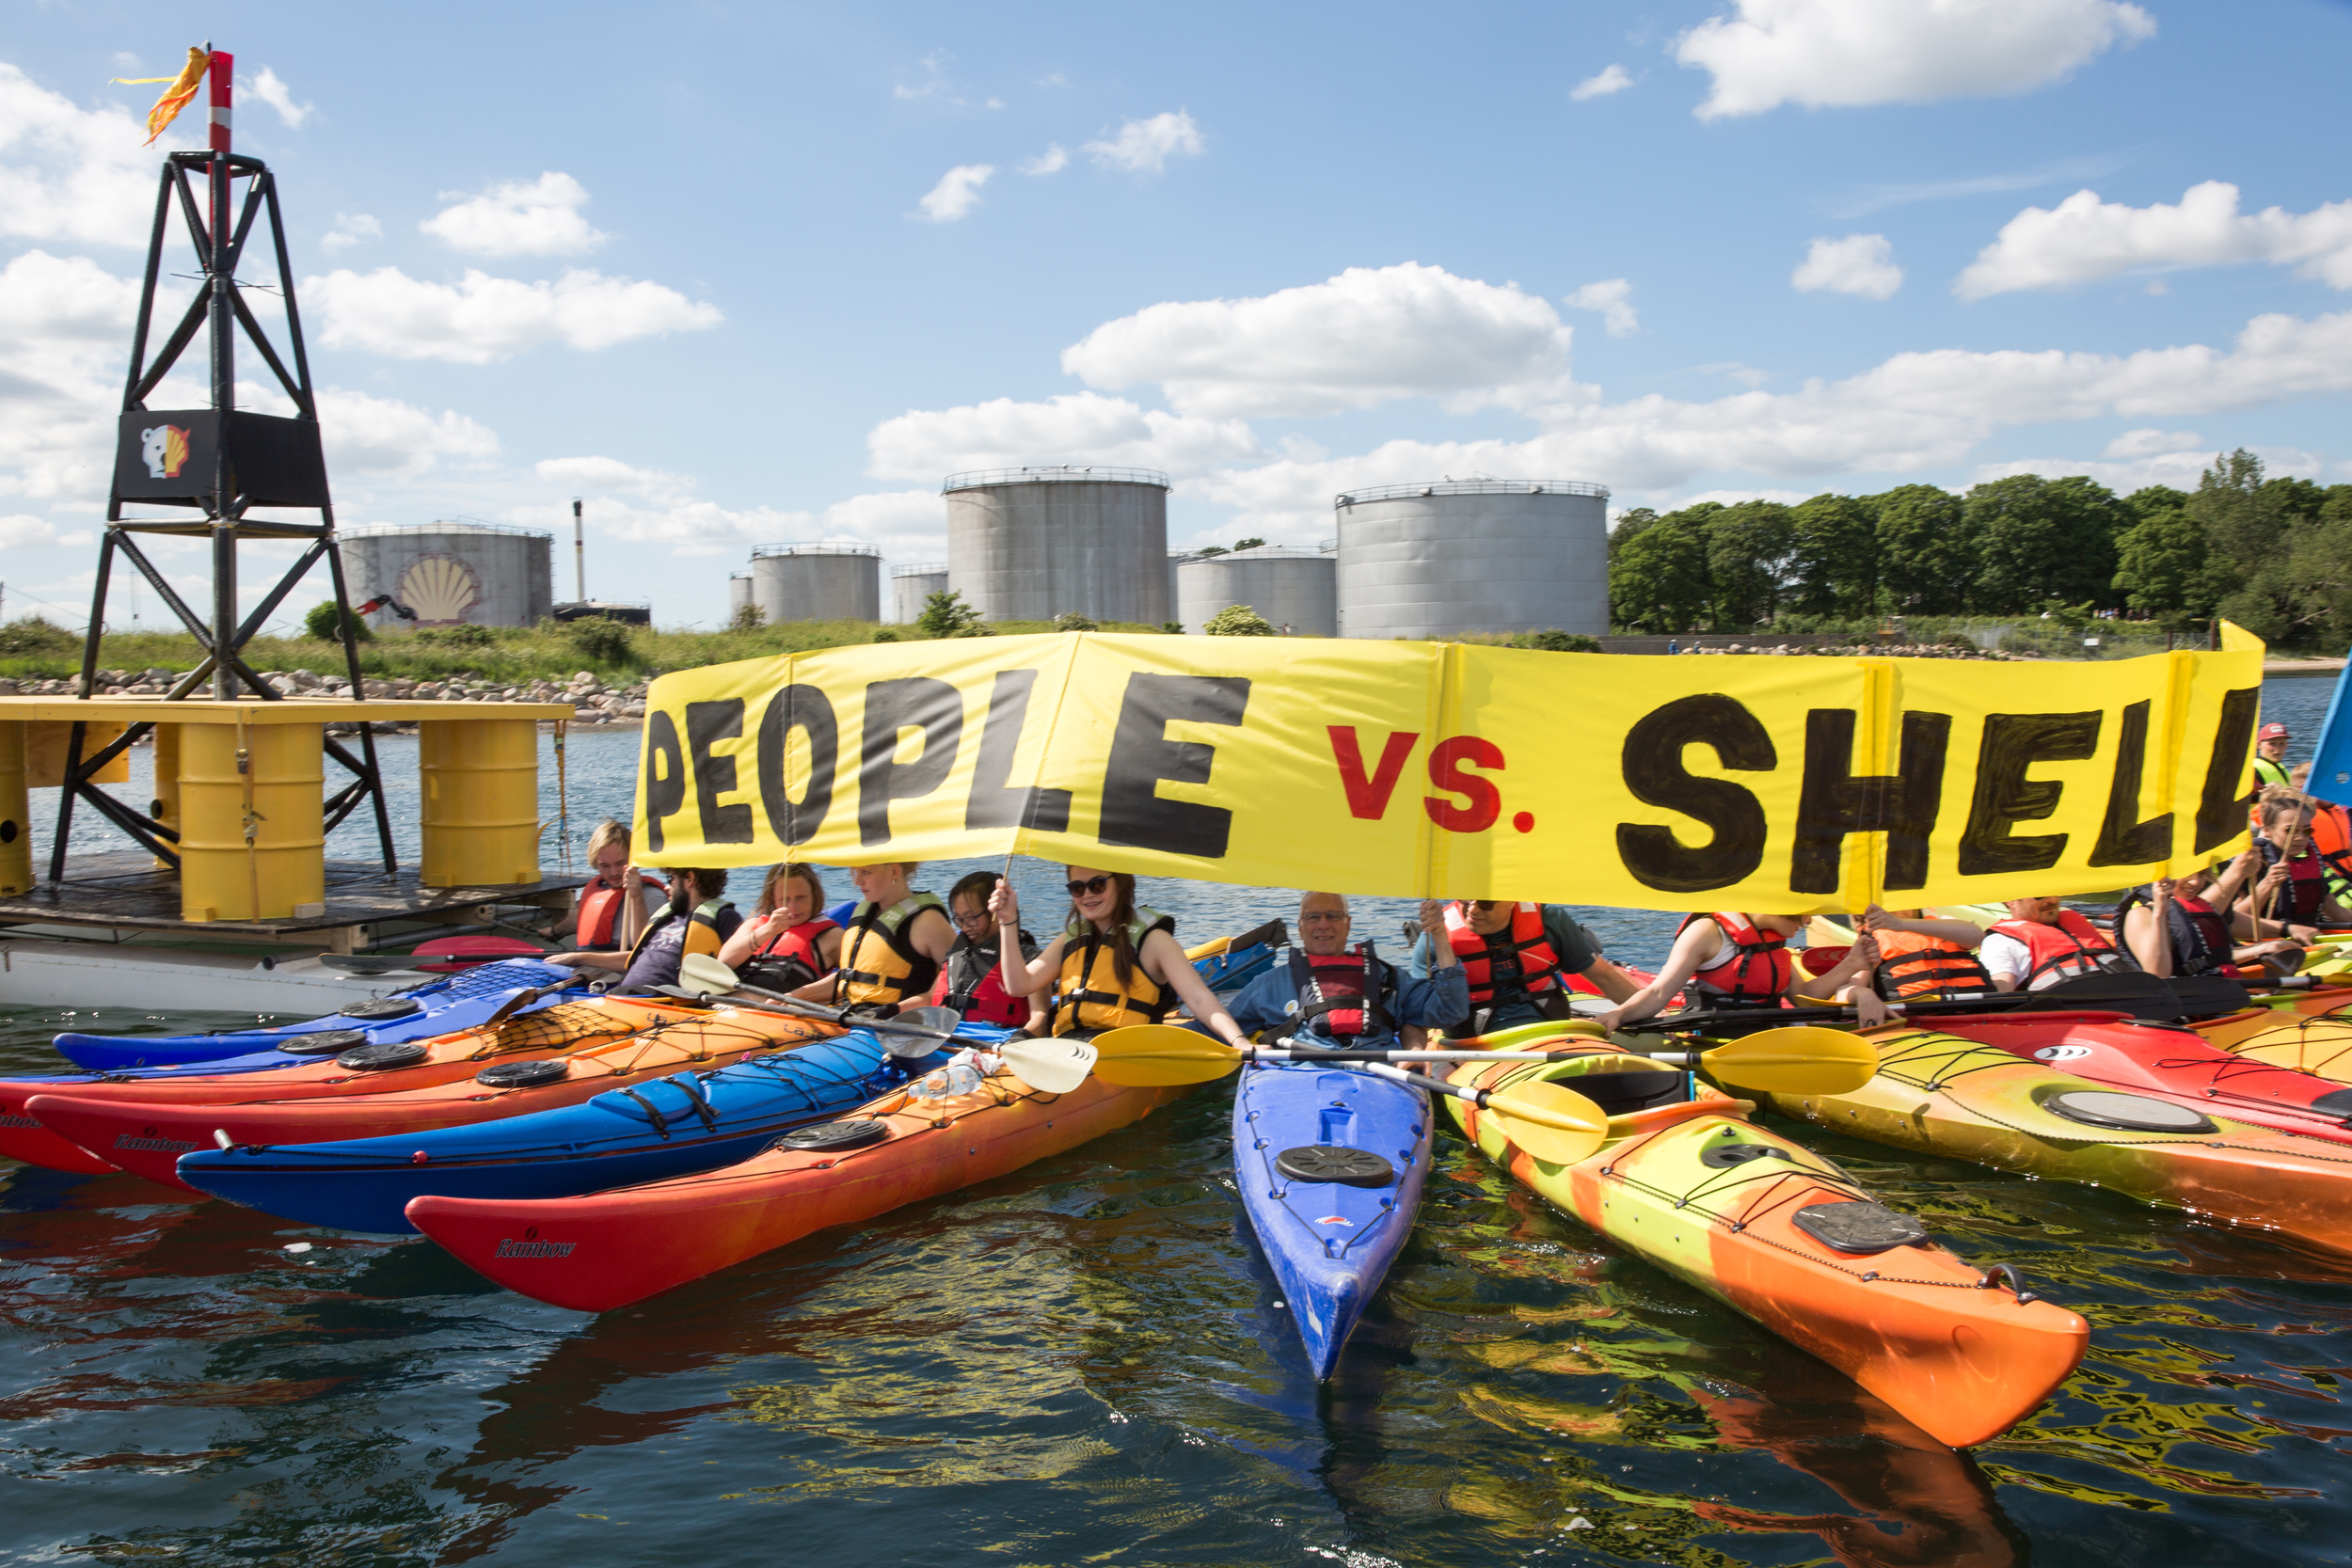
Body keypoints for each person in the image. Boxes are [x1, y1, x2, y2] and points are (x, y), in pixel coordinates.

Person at [990, 866, 1248, 1045]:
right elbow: (1018, 985)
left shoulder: (1154, 941)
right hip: (1068, 1050)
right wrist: (1008, 921)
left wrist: (1240, 1042)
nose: (1088, 895)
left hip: (1124, 1053)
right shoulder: (1071, 939)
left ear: (1122, 883)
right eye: (1077, 888)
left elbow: (1199, 999)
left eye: (1098, 885)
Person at [1227, 893, 1469, 1050]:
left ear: (1348, 924)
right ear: (1300, 928)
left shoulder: (1388, 978)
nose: (1323, 924)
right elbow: (1223, 1027)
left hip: (1377, 1077)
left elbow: (1450, 1011)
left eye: (1333, 916)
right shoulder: (1269, 984)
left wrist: (1438, 933)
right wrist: (1243, 1045)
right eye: (1313, 917)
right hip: (1301, 1076)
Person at [1589, 912, 1891, 1031]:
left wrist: (1852, 964)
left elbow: (1804, 997)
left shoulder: (1774, 941)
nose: (1808, 921)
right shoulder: (1707, 932)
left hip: (1768, 1033)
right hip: (1717, 1034)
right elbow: (1658, 992)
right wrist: (1619, 1014)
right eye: (1800, 914)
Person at [1408, 898, 1640, 1034]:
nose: (1473, 911)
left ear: (1512, 900)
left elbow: (1604, 976)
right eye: (1466, 901)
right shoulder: (1435, 936)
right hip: (1473, 1048)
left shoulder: (1549, 918)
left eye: (1486, 903)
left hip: (1551, 1035)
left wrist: (1652, 1013)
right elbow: (1416, 1010)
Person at [789, 862, 956, 1017]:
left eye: (865, 872)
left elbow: (953, 981)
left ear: (894, 871)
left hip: (895, 1024)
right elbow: (853, 978)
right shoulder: (864, 913)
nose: (857, 881)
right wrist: (794, 996)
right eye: (855, 872)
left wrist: (890, 1012)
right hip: (852, 1014)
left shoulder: (928, 922)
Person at [550, 867, 741, 991]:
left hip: (661, 1004)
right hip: (623, 995)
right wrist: (576, 957)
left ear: (689, 880)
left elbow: (736, 967)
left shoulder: (723, 918)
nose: (667, 886)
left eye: (671, 878)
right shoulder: (669, 915)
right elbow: (636, 957)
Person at [2118, 857, 2294, 977]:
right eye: (2186, 873)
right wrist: (2160, 915)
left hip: (2221, 990)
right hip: (2187, 1004)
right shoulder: (2140, 915)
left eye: (2201, 874)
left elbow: (2214, 958)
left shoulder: (2198, 907)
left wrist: (2263, 948)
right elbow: (2158, 974)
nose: (2196, 882)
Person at [930, 870, 1044, 1030]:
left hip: (996, 1043)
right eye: (959, 919)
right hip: (946, 1038)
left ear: (995, 910)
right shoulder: (956, 953)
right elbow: (929, 998)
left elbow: (1040, 1016)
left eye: (971, 918)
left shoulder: (1029, 958)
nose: (964, 927)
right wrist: (893, 1009)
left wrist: (1021, 1039)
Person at [2238, 790, 2352, 945]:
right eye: (2290, 830)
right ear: (2268, 830)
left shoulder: (2311, 866)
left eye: (2307, 831)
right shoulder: (2251, 864)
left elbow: (2339, 914)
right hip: (2266, 947)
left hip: (2306, 945)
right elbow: (2232, 919)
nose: (2300, 838)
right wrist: (2268, 883)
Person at [718, 862, 843, 991]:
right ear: (772, 899)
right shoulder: (753, 926)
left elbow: (856, 978)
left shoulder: (832, 936)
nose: (793, 907)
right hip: (725, 1006)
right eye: (784, 899)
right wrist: (767, 931)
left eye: (801, 898)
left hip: (778, 1009)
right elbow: (723, 963)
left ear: (814, 896)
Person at [545, 818, 660, 952]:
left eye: (620, 863)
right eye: (605, 866)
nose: (614, 873)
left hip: (618, 966)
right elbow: (580, 918)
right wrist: (554, 932)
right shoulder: (598, 891)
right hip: (585, 962)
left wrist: (637, 897)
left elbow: (647, 951)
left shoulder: (653, 897)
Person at [1980, 896, 2137, 991]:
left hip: (2132, 1001)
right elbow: (2002, 996)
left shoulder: (2076, 923)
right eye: (2039, 895)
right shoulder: (1999, 942)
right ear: (2011, 900)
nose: (2052, 900)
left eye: (2055, 892)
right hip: (2072, 1020)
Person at [1854, 906, 1999, 1002]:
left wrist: (1901, 924)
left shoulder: (1945, 923)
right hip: (1919, 1017)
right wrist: (1863, 995)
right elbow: (1849, 988)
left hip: (1976, 1009)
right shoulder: (1871, 940)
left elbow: (1975, 936)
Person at [2254, 721, 2293, 790]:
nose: (2278, 748)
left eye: (2282, 743)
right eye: (2272, 744)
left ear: (2287, 745)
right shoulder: (2254, 770)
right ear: (2259, 745)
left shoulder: (2280, 766)